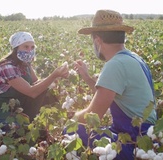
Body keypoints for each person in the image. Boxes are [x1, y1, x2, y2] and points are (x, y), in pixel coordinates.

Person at [64, 10, 157, 159]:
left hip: (134, 141)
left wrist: (73, 118)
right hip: (147, 137)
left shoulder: (115, 64)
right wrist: (87, 77)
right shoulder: (133, 58)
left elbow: (93, 116)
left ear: (97, 40)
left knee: (72, 132)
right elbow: (111, 92)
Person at [0, 31, 69, 130]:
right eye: (25, 47)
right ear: (16, 48)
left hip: (15, 107)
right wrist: (53, 76)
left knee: (46, 92)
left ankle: (60, 120)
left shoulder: (25, 63)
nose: (29, 50)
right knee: (20, 129)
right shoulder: (7, 67)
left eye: (32, 47)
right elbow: (32, 92)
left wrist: (55, 78)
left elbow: (36, 83)